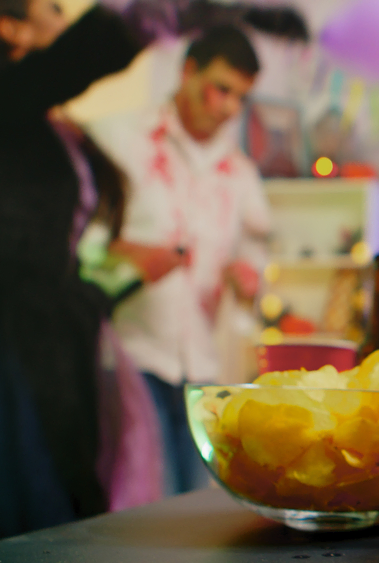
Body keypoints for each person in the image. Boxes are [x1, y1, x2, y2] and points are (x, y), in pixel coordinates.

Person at [88, 24, 272, 496]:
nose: (230, 108)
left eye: (240, 97)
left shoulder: (240, 173)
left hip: (203, 368)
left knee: (193, 509)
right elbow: (78, 244)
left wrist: (247, 278)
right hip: (130, 354)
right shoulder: (119, 140)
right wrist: (126, 257)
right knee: (137, 506)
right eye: (221, 89)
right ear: (188, 71)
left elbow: (255, 253)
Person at [0, 0, 148, 538]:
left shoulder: (37, 119)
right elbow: (75, 59)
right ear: (9, 25)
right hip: (16, 349)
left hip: (51, 336)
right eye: (55, 10)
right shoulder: (13, 98)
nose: (67, 24)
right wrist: (147, 19)